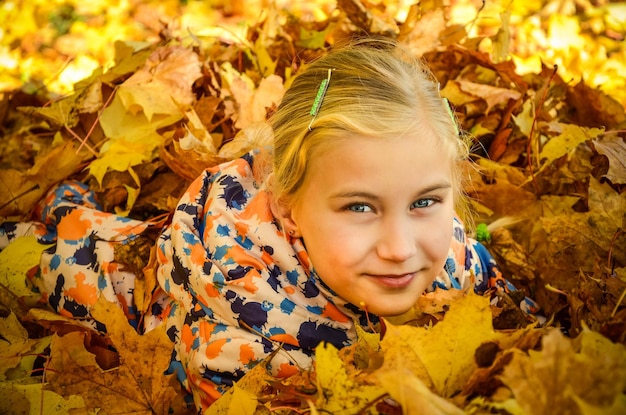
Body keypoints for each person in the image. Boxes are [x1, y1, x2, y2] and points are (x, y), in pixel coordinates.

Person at [150, 38, 537, 411]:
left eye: (424, 201)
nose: (400, 249)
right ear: (288, 207)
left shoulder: (453, 259)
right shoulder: (239, 348)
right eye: (359, 208)